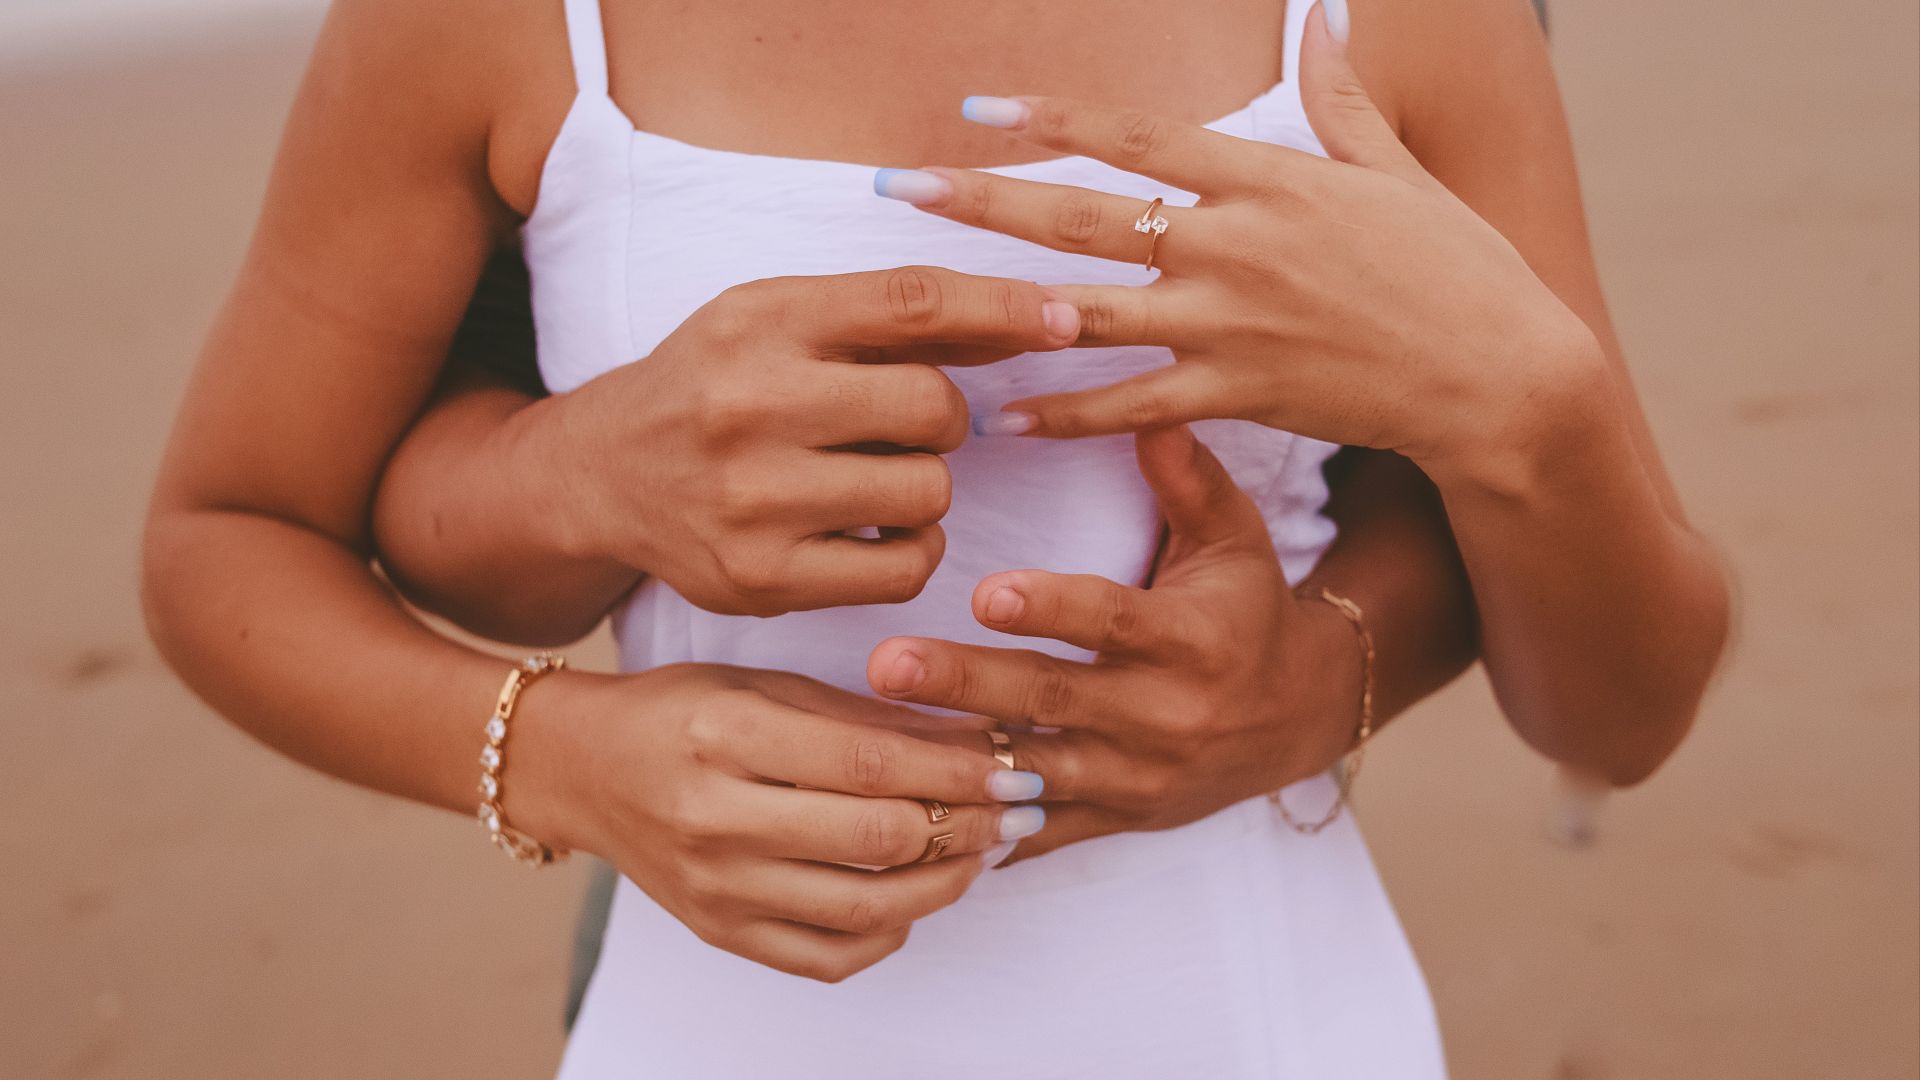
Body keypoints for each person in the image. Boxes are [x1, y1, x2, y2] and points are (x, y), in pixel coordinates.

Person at [141, 0, 1729, 1074]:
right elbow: (228, 532)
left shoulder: (1390, 23)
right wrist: (557, 746)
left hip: (1265, 1020)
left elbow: (1621, 711)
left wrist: (1370, 624)